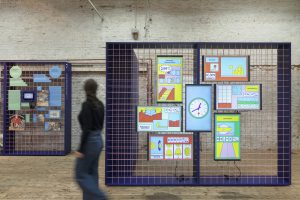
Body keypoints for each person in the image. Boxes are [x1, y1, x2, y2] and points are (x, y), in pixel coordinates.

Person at [74, 79, 107, 200]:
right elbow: (100, 125)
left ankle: (100, 196)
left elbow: (87, 129)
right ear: (96, 89)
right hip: (99, 140)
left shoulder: (87, 105)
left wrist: (81, 150)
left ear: (85, 89)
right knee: (92, 173)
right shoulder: (100, 104)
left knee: (80, 175)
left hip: (90, 141)